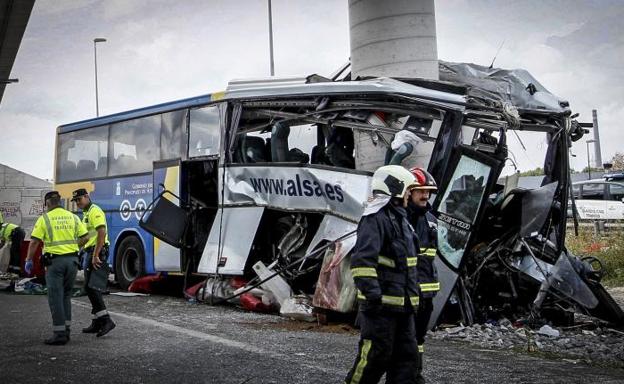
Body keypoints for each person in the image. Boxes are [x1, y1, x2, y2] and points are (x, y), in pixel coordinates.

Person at [345, 165, 421, 384]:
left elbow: (408, 266)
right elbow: (362, 262)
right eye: (408, 189)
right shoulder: (374, 219)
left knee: (407, 361)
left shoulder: (403, 221)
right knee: (374, 358)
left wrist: (415, 300)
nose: (410, 194)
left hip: (403, 308)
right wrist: (373, 296)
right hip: (381, 308)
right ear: (395, 188)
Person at [25, 191, 89, 345]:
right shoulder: (72, 216)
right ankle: (66, 331)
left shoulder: (45, 218)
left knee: (55, 297)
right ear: (59, 202)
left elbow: (34, 242)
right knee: (66, 296)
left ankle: (59, 334)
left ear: (47, 203)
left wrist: (28, 260)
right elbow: (86, 237)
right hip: (73, 262)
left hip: (55, 264)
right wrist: (73, 247)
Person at [407, 167, 440, 384]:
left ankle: (415, 375)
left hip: (426, 293)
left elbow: (429, 257)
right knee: (403, 339)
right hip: (407, 292)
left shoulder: (431, 220)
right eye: (420, 191)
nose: (425, 195)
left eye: (428, 191)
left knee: (419, 339)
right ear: (408, 192)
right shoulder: (400, 218)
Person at [71, 188, 116, 337]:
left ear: (87, 197)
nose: (77, 203)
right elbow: (91, 235)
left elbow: (101, 233)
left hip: (97, 252)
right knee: (89, 287)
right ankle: (97, 321)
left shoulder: (94, 211)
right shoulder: (86, 213)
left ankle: (106, 320)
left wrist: (96, 255)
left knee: (92, 288)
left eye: (79, 200)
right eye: (75, 201)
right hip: (90, 251)